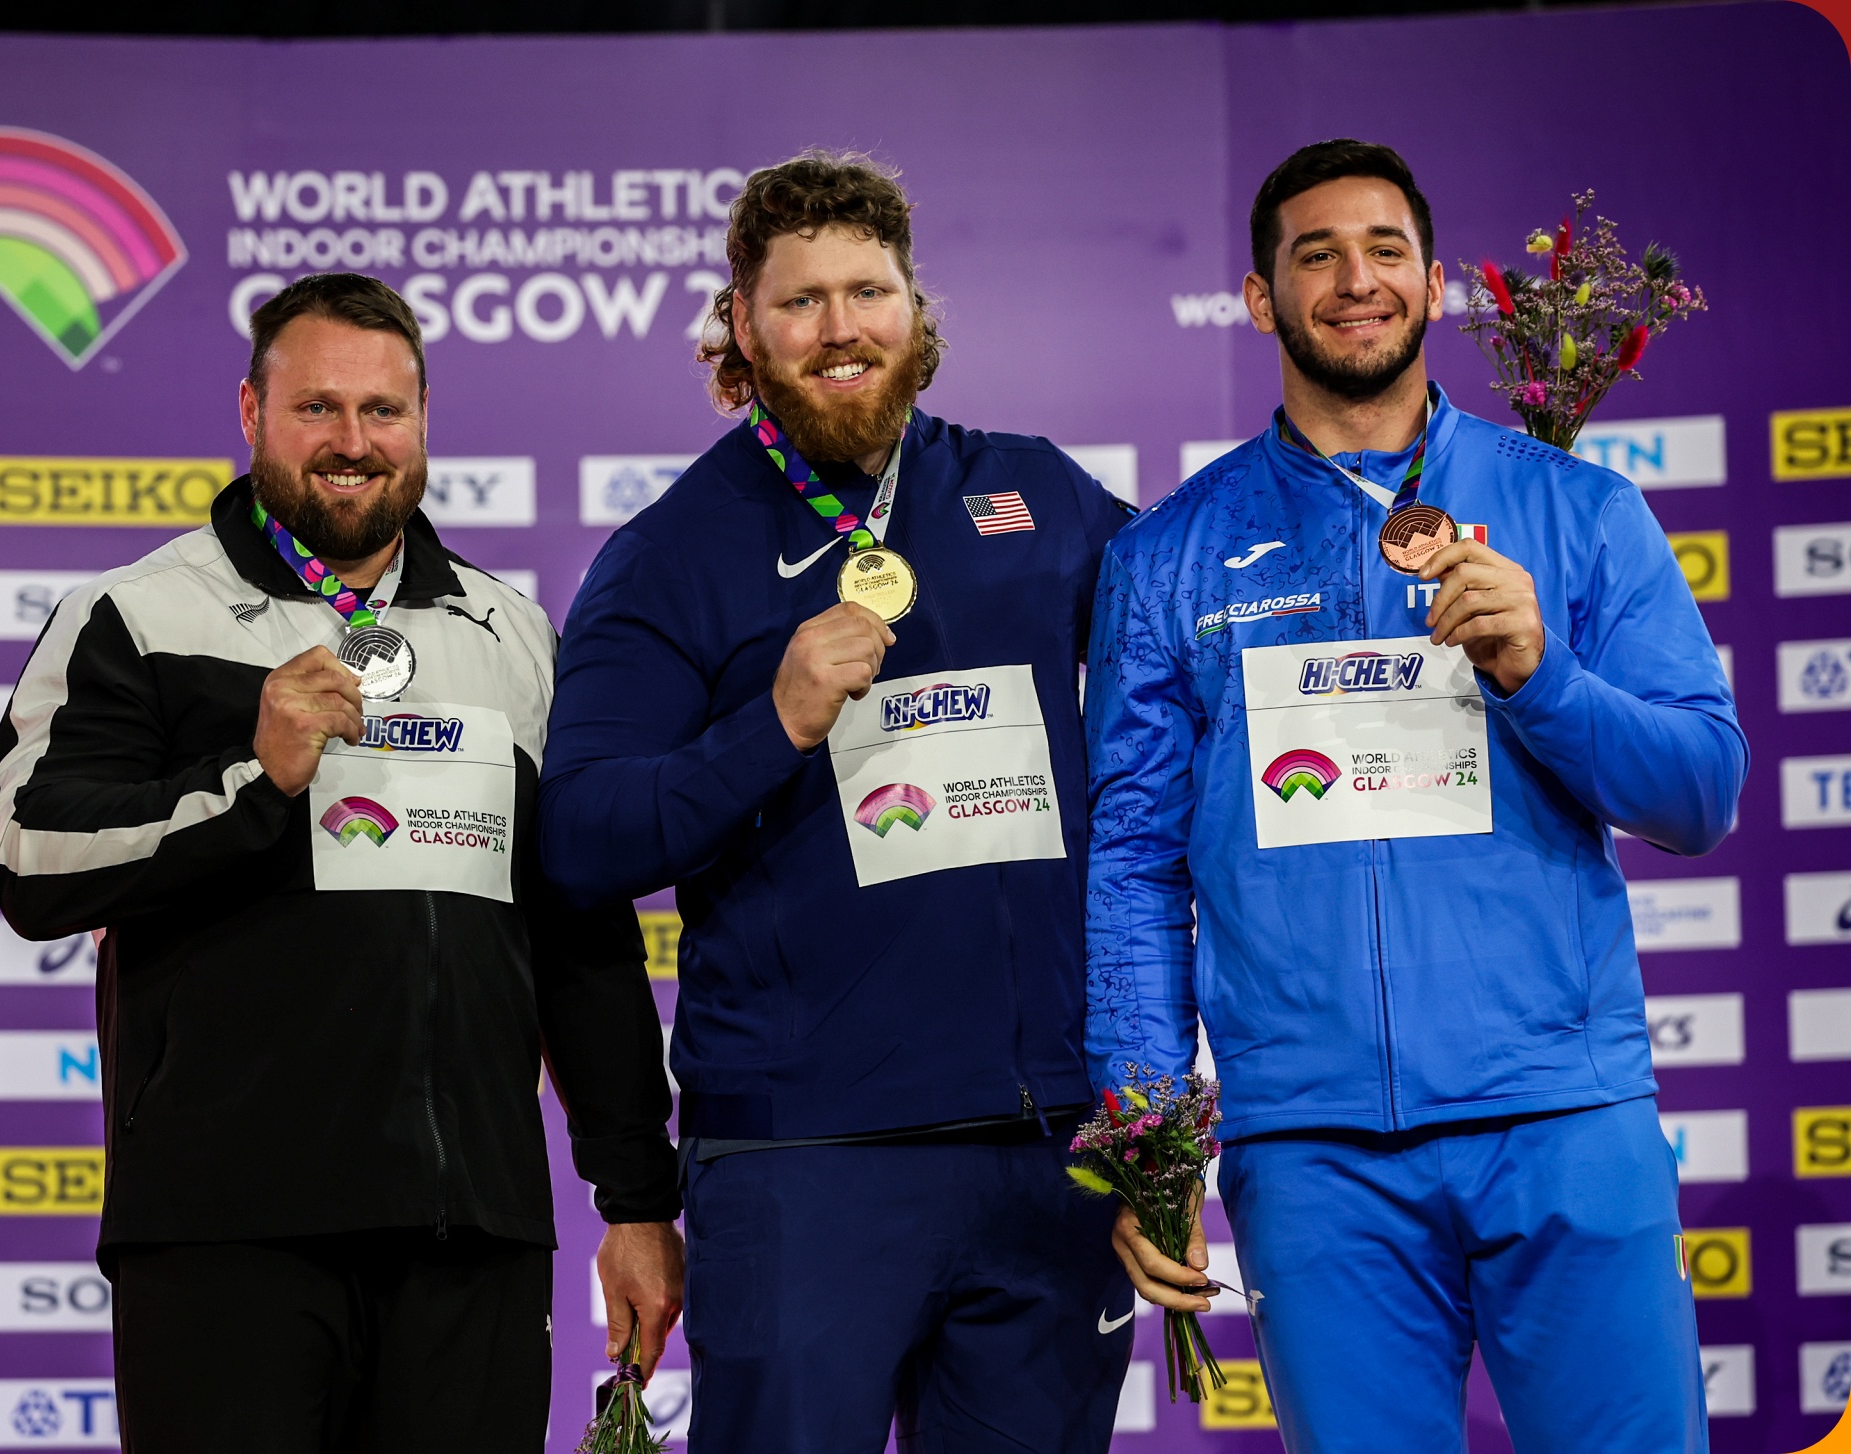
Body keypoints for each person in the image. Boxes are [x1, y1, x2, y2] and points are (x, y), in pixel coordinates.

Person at [1084, 139, 1746, 1452]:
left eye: (1385, 250)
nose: (1354, 280)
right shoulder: (1168, 556)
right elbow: (1134, 867)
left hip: (1564, 1115)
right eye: (1314, 255)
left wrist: (1542, 675)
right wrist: (1151, 1139)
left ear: (1434, 284)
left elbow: (1701, 792)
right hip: (1316, 1156)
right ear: (1261, 299)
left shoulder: (1577, 514)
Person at [0, 272, 684, 1454]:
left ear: (421, 425)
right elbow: (30, 857)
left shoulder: (510, 634)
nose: (352, 444)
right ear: (250, 413)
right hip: (226, 1235)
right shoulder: (138, 614)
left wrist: (634, 1196)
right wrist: (254, 780)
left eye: (383, 411)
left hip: (475, 1234)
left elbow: (578, 933)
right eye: (317, 409)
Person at [539, 151, 1139, 1452]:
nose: (839, 328)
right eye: (800, 301)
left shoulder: (1032, 493)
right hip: (807, 1160)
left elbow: (1214, 621)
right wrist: (774, 725)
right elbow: (579, 837)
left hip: (1046, 1150)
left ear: (916, 313)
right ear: (742, 327)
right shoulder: (670, 553)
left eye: (868, 291)